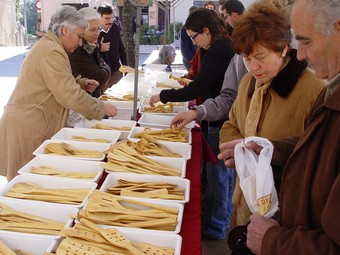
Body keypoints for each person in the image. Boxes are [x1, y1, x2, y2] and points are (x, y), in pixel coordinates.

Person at [219, 0, 340, 253]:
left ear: (283, 49)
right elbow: (231, 123)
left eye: (260, 57)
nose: (253, 67)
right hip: (251, 213)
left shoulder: (314, 89)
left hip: (284, 220)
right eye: (247, 58)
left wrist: (274, 239)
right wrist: (253, 149)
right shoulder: (248, 83)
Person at [0, 5, 117, 181]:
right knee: (28, 184)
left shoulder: (51, 47)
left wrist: (80, 83)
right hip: (29, 126)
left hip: (31, 121)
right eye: (78, 36)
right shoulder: (52, 50)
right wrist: (100, 108)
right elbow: (68, 94)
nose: (80, 43)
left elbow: (54, 82)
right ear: (64, 30)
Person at [170, 0, 247, 241]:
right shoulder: (218, 49)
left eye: (195, 37)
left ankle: (216, 228)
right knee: (216, 178)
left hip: (221, 123)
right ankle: (216, 223)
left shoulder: (222, 50)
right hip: (214, 116)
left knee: (219, 179)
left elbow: (206, 89)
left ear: (206, 30)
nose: (193, 43)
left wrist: (164, 96)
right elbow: (218, 93)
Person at [69, 7, 111, 98]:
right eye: (92, 30)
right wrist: (106, 68)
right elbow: (100, 77)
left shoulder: (92, 46)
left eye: (99, 29)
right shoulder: (75, 50)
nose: (97, 33)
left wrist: (104, 67)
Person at [97, 3, 127, 92]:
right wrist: (99, 47)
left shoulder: (115, 27)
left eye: (112, 18)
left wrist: (126, 67)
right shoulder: (93, 29)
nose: (110, 21)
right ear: (99, 17)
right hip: (102, 74)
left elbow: (121, 47)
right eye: (106, 18)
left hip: (116, 72)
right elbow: (86, 48)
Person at [179, 6, 198, 71]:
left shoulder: (200, 26)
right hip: (189, 61)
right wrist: (194, 61)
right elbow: (184, 50)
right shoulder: (184, 29)